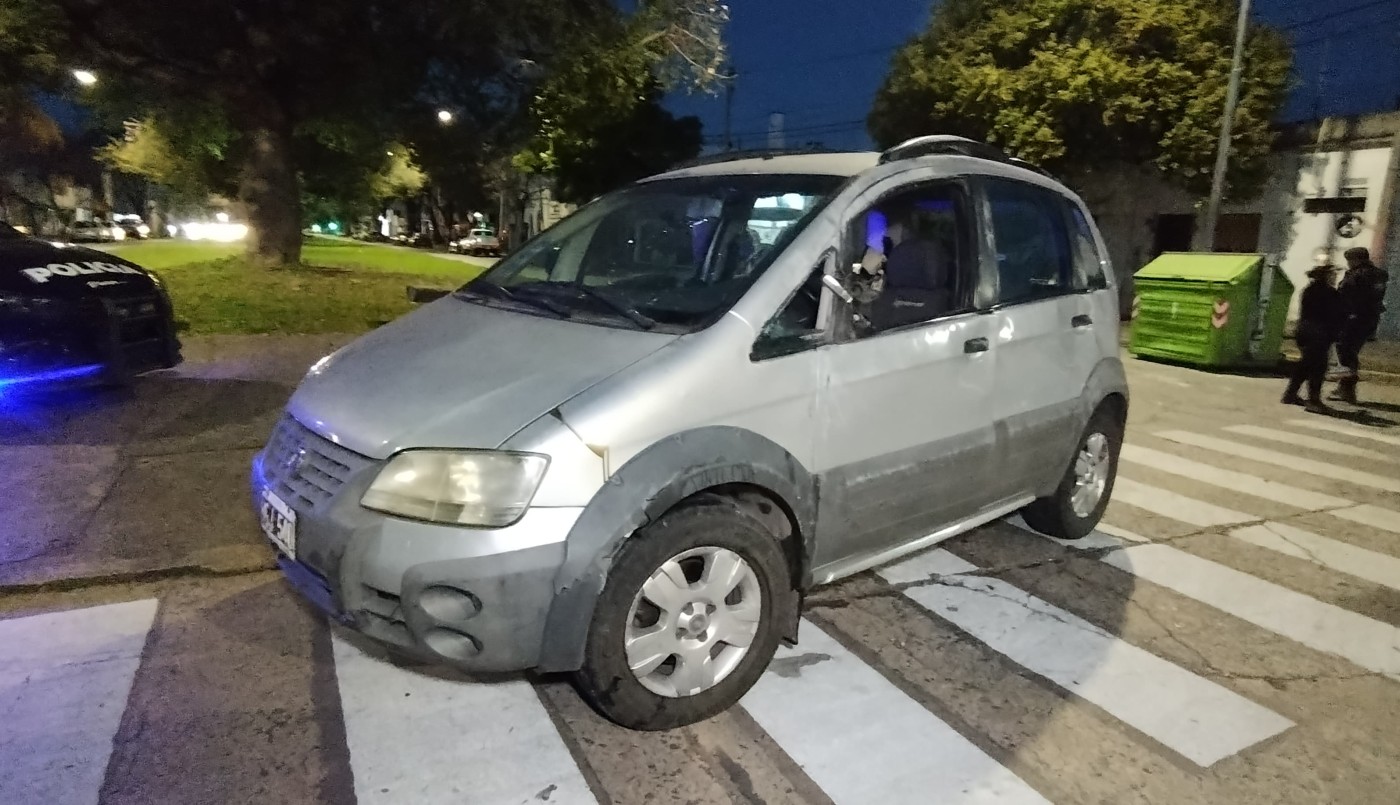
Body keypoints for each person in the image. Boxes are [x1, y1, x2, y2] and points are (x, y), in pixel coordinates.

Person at [1329, 246, 1390, 403]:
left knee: (1345, 352)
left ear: (1356, 260)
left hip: (1352, 319)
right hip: (1369, 319)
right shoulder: (1379, 275)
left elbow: (1345, 295)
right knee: (1351, 351)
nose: (1348, 264)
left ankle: (1346, 389)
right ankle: (1344, 387)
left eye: (1349, 260)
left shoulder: (1357, 275)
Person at [1283, 263, 1344, 412]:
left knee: (1305, 365)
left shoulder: (1309, 290)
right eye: (1332, 274)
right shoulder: (1328, 293)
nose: (1335, 277)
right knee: (1318, 367)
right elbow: (1335, 314)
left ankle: (1290, 394)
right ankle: (1313, 401)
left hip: (1304, 331)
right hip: (1318, 333)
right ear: (1325, 276)